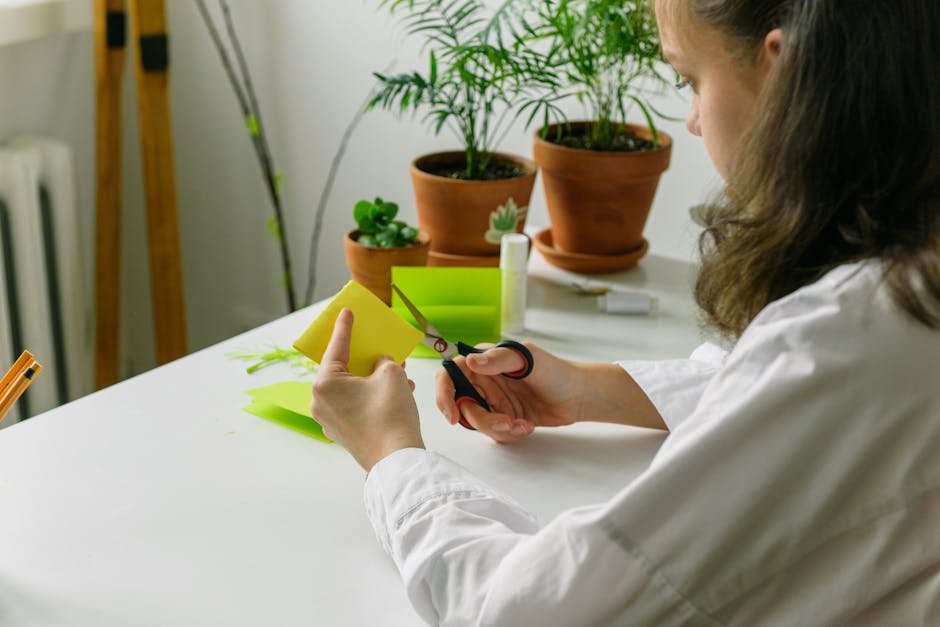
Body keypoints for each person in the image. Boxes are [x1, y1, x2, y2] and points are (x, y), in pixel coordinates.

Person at [311, 0, 940, 624]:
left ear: (782, 76)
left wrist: (392, 456)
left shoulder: (847, 340)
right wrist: (597, 389)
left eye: (690, 79)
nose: (691, 121)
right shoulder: (903, 291)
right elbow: (795, 401)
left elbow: (530, 613)